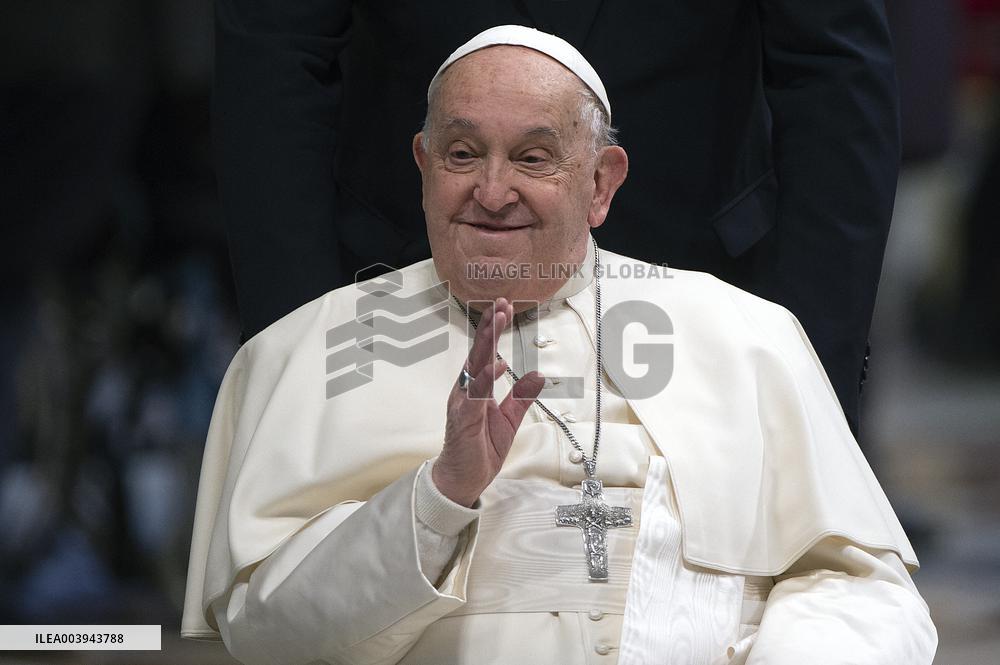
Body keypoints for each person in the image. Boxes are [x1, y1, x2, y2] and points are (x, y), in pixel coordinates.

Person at [184, 27, 935, 665]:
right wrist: (437, 499)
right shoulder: (312, 347)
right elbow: (263, 632)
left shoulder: (744, 335)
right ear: (422, 165)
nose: (492, 190)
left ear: (602, 183)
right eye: (462, 153)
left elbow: (863, 587)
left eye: (534, 157)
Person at [214, 0, 901, 438]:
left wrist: (807, 378)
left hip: (693, 277)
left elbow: (832, 68)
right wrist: (291, 348)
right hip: (400, 291)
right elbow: (275, 50)